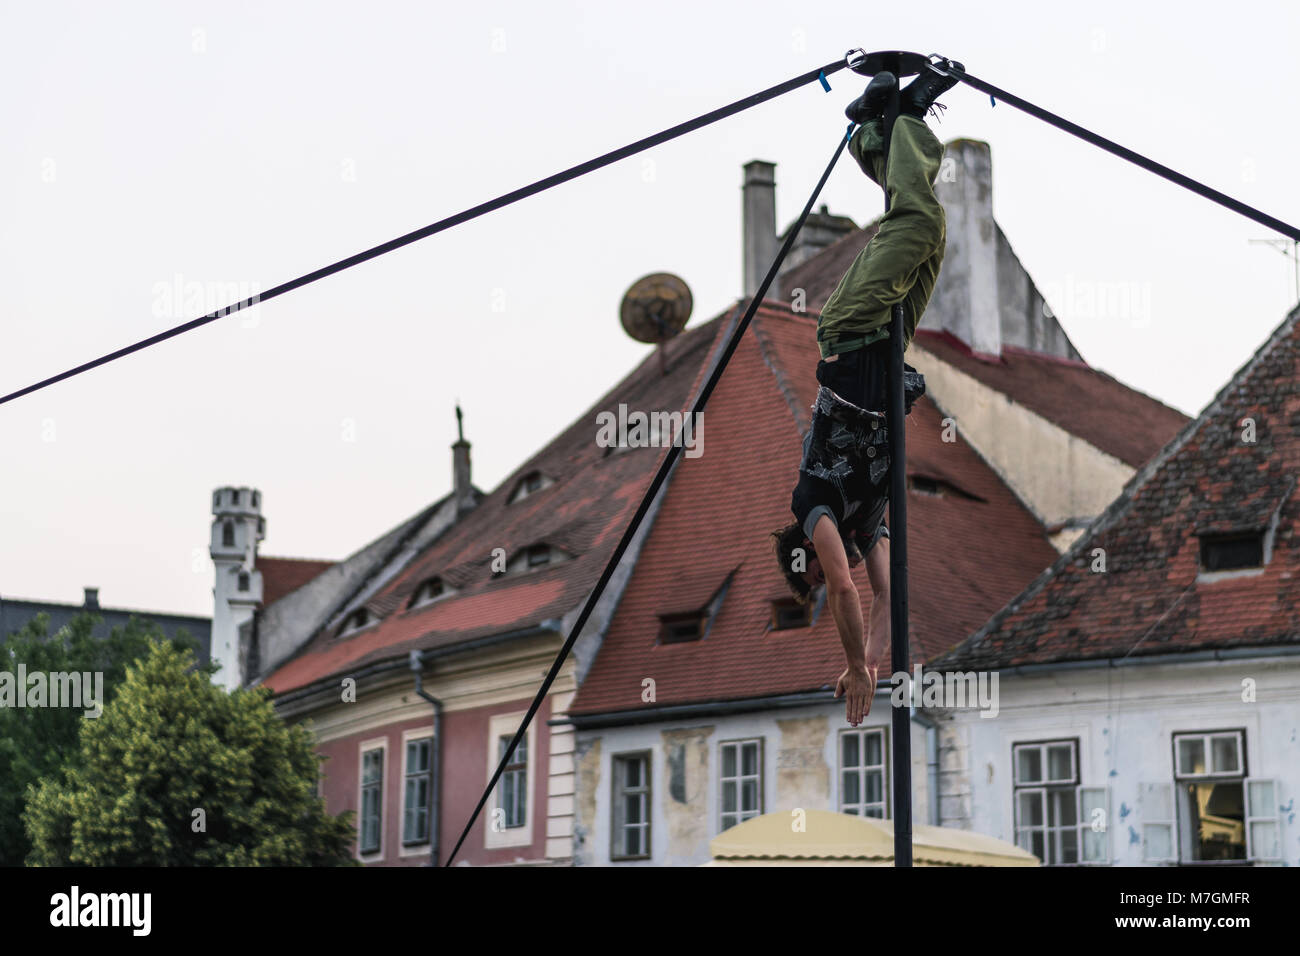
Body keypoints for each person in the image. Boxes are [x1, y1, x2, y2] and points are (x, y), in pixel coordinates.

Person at [770, 62, 960, 727]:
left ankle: (905, 116)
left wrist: (852, 662)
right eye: (824, 574)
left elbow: (849, 590)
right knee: (933, 236)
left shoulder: (816, 504)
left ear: (806, 551)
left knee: (915, 224)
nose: (830, 572)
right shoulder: (867, 520)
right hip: (888, 344)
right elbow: (884, 590)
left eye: (816, 574)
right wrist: (876, 662)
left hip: (852, 333)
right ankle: (880, 127)